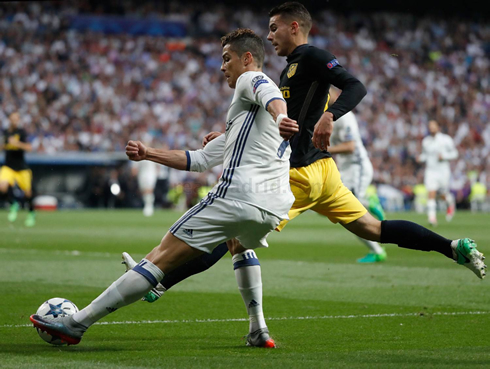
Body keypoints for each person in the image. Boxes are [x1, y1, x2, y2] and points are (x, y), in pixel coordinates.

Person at [119, 1, 486, 309]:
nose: (269, 35)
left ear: (294, 27)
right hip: (324, 173)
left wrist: (329, 115)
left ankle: (159, 280)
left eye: (274, 28)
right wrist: (230, 136)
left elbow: (355, 85)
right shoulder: (291, 69)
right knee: (373, 228)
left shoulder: (310, 56)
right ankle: (452, 247)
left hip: (298, 174)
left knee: (231, 235)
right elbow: (278, 119)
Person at [30, 28, 298, 348]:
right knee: (239, 245)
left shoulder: (251, 79)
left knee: (160, 256)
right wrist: (149, 153)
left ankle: (76, 323)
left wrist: (282, 115)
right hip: (274, 206)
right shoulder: (245, 125)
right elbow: (198, 160)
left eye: (227, 59)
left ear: (248, 58)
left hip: (240, 194)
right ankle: (258, 329)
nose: (223, 66)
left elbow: (267, 91)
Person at [329, 90, 387, 263]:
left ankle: (370, 202)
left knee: (348, 211)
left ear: (336, 94)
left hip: (357, 167)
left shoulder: (345, 116)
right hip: (346, 170)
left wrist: (324, 149)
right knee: (341, 210)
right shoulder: (329, 116)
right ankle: (376, 250)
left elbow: (350, 147)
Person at [418, 120, 458, 226]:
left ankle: (450, 202)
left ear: (438, 127)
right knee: (431, 193)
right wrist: (420, 158)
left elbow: (455, 153)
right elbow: (425, 155)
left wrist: (444, 156)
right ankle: (432, 218)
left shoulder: (446, 139)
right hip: (430, 171)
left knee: (442, 194)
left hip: (443, 171)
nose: (431, 128)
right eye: (430, 126)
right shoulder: (426, 141)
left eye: (433, 126)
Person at [0, 112, 36, 227]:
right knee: (2, 186)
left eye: (17, 119)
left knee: (28, 193)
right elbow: (4, 146)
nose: (15, 121)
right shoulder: (6, 132)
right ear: (10, 120)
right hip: (9, 166)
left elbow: (29, 147)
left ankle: (31, 213)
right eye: (13, 119)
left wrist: (17, 143)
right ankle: (13, 204)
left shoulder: (21, 132)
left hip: (21, 167)